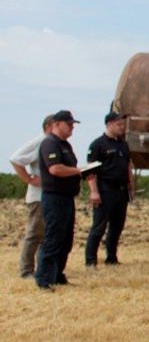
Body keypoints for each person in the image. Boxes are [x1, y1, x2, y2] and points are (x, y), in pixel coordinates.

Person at [35, 110, 86, 290]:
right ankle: (44, 279)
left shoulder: (65, 145)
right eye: (69, 124)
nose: (72, 127)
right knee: (53, 238)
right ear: (57, 124)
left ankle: (57, 275)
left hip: (66, 197)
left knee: (65, 239)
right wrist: (79, 170)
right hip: (54, 197)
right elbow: (55, 169)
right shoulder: (50, 144)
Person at [85, 112, 135, 266]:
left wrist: (131, 187)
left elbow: (128, 167)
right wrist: (94, 191)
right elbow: (90, 171)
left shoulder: (123, 144)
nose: (122, 128)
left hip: (121, 192)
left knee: (117, 226)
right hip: (105, 191)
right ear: (109, 124)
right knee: (99, 227)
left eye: (123, 124)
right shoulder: (97, 145)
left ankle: (111, 258)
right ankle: (91, 261)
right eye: (119, 125)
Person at [9, 115, 55, 278]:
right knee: (35, 233)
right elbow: (16, 159)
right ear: (49, 126)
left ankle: (42, 268)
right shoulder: (40, 142)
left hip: (49, 196)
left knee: (45, 234)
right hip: (38, 197)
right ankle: (26, 270)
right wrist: (29, 179)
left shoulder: (53, 144)